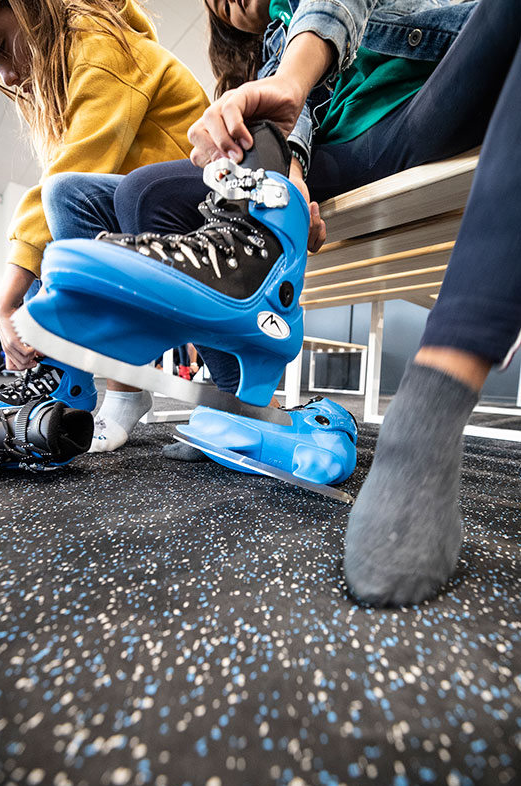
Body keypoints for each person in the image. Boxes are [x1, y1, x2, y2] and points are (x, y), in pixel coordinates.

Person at [101, 0, 520, 607]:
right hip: (331, 151)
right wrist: (284, 161)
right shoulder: (267, 40)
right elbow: (285, 118)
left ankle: (432, 407)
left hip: (416, 106)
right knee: (147, 193)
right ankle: (247, 408)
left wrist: (288, 89)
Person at [0, 0, 209, 452]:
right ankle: (63, 381)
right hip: (151, 215)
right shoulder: (81, 58)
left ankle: (112, 390)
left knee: (63, 200)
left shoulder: (101, 47)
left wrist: (5, 301)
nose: (5, 76)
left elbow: (65, 180)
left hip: (193, 217)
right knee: (56, 248)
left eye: (1, 46)